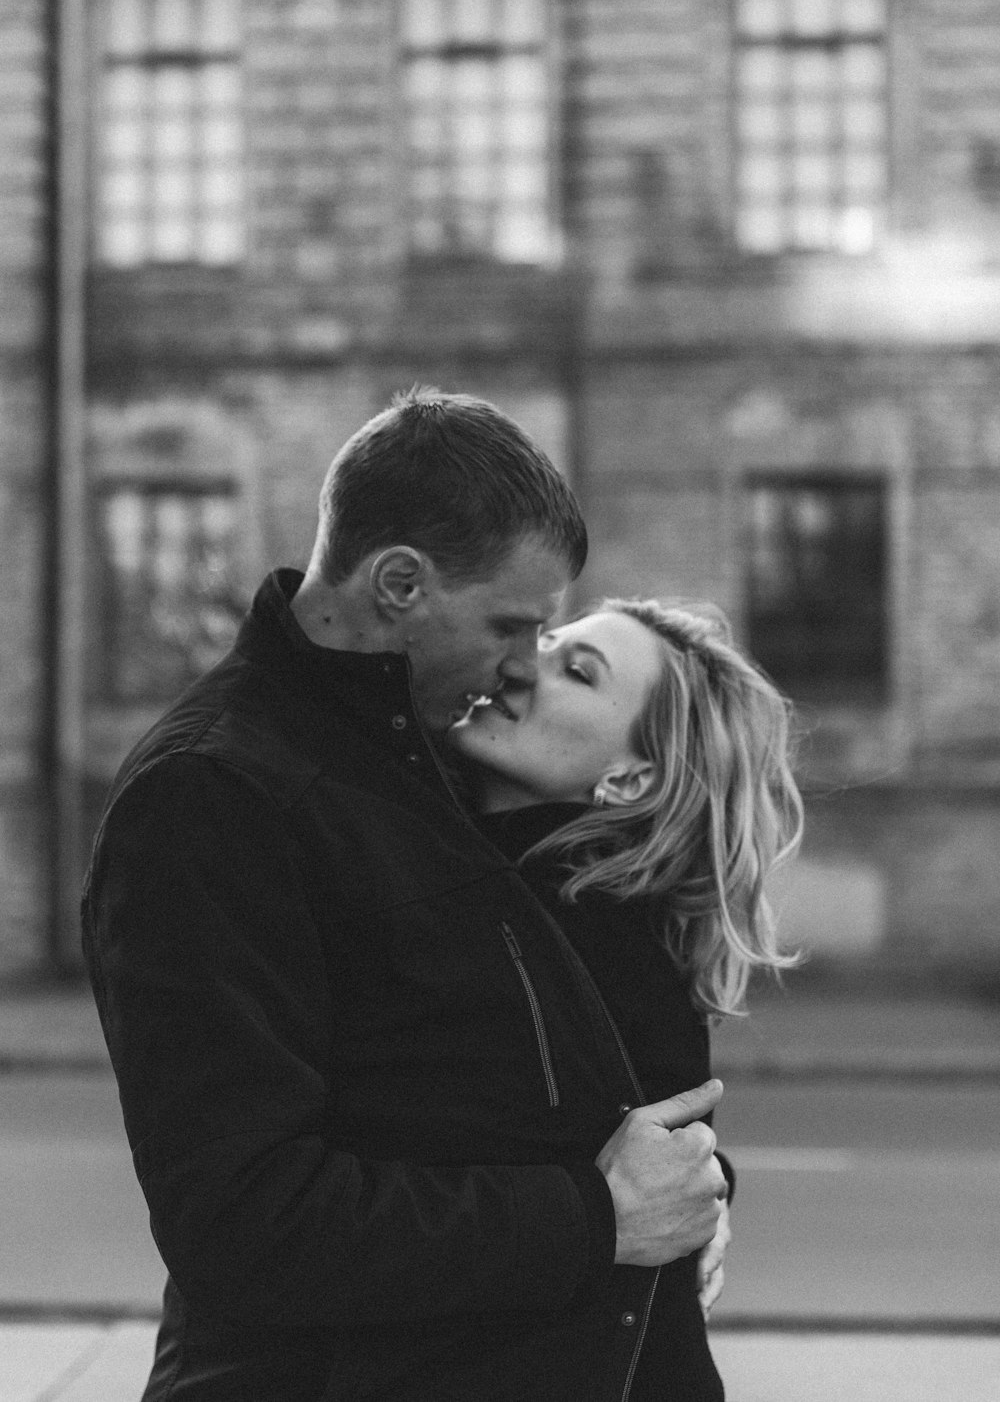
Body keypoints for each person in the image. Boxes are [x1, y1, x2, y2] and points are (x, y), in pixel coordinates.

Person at [81, 386, 729, 1402]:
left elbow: (512, 1086)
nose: (522, 666)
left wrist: (689, 1195)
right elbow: (245, 1222)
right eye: (511, 627)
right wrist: (597, 1218)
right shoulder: (213, 794)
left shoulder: (428, 752)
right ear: (397, 585)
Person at [449, 597, 805, 1400]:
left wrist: (702, 1187)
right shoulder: (499, 881)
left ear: (629, 775)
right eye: (546, 642)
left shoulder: (590, 931)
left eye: (575, 671)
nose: (518, 663)